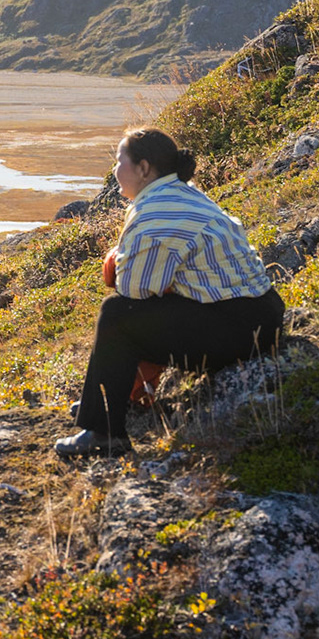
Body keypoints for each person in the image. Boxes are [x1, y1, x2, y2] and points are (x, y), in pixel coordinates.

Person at [54, 127, 284, 459]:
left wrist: (114, 262)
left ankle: (105, 431)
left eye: (119, 161)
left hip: (242, 328)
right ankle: (108, 402)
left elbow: (133, 290)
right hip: (258, 315)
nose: (114, 171)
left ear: (144, 168)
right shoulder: (177, 193)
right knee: (140, 311)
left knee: (118, 315)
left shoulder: (157, 212)